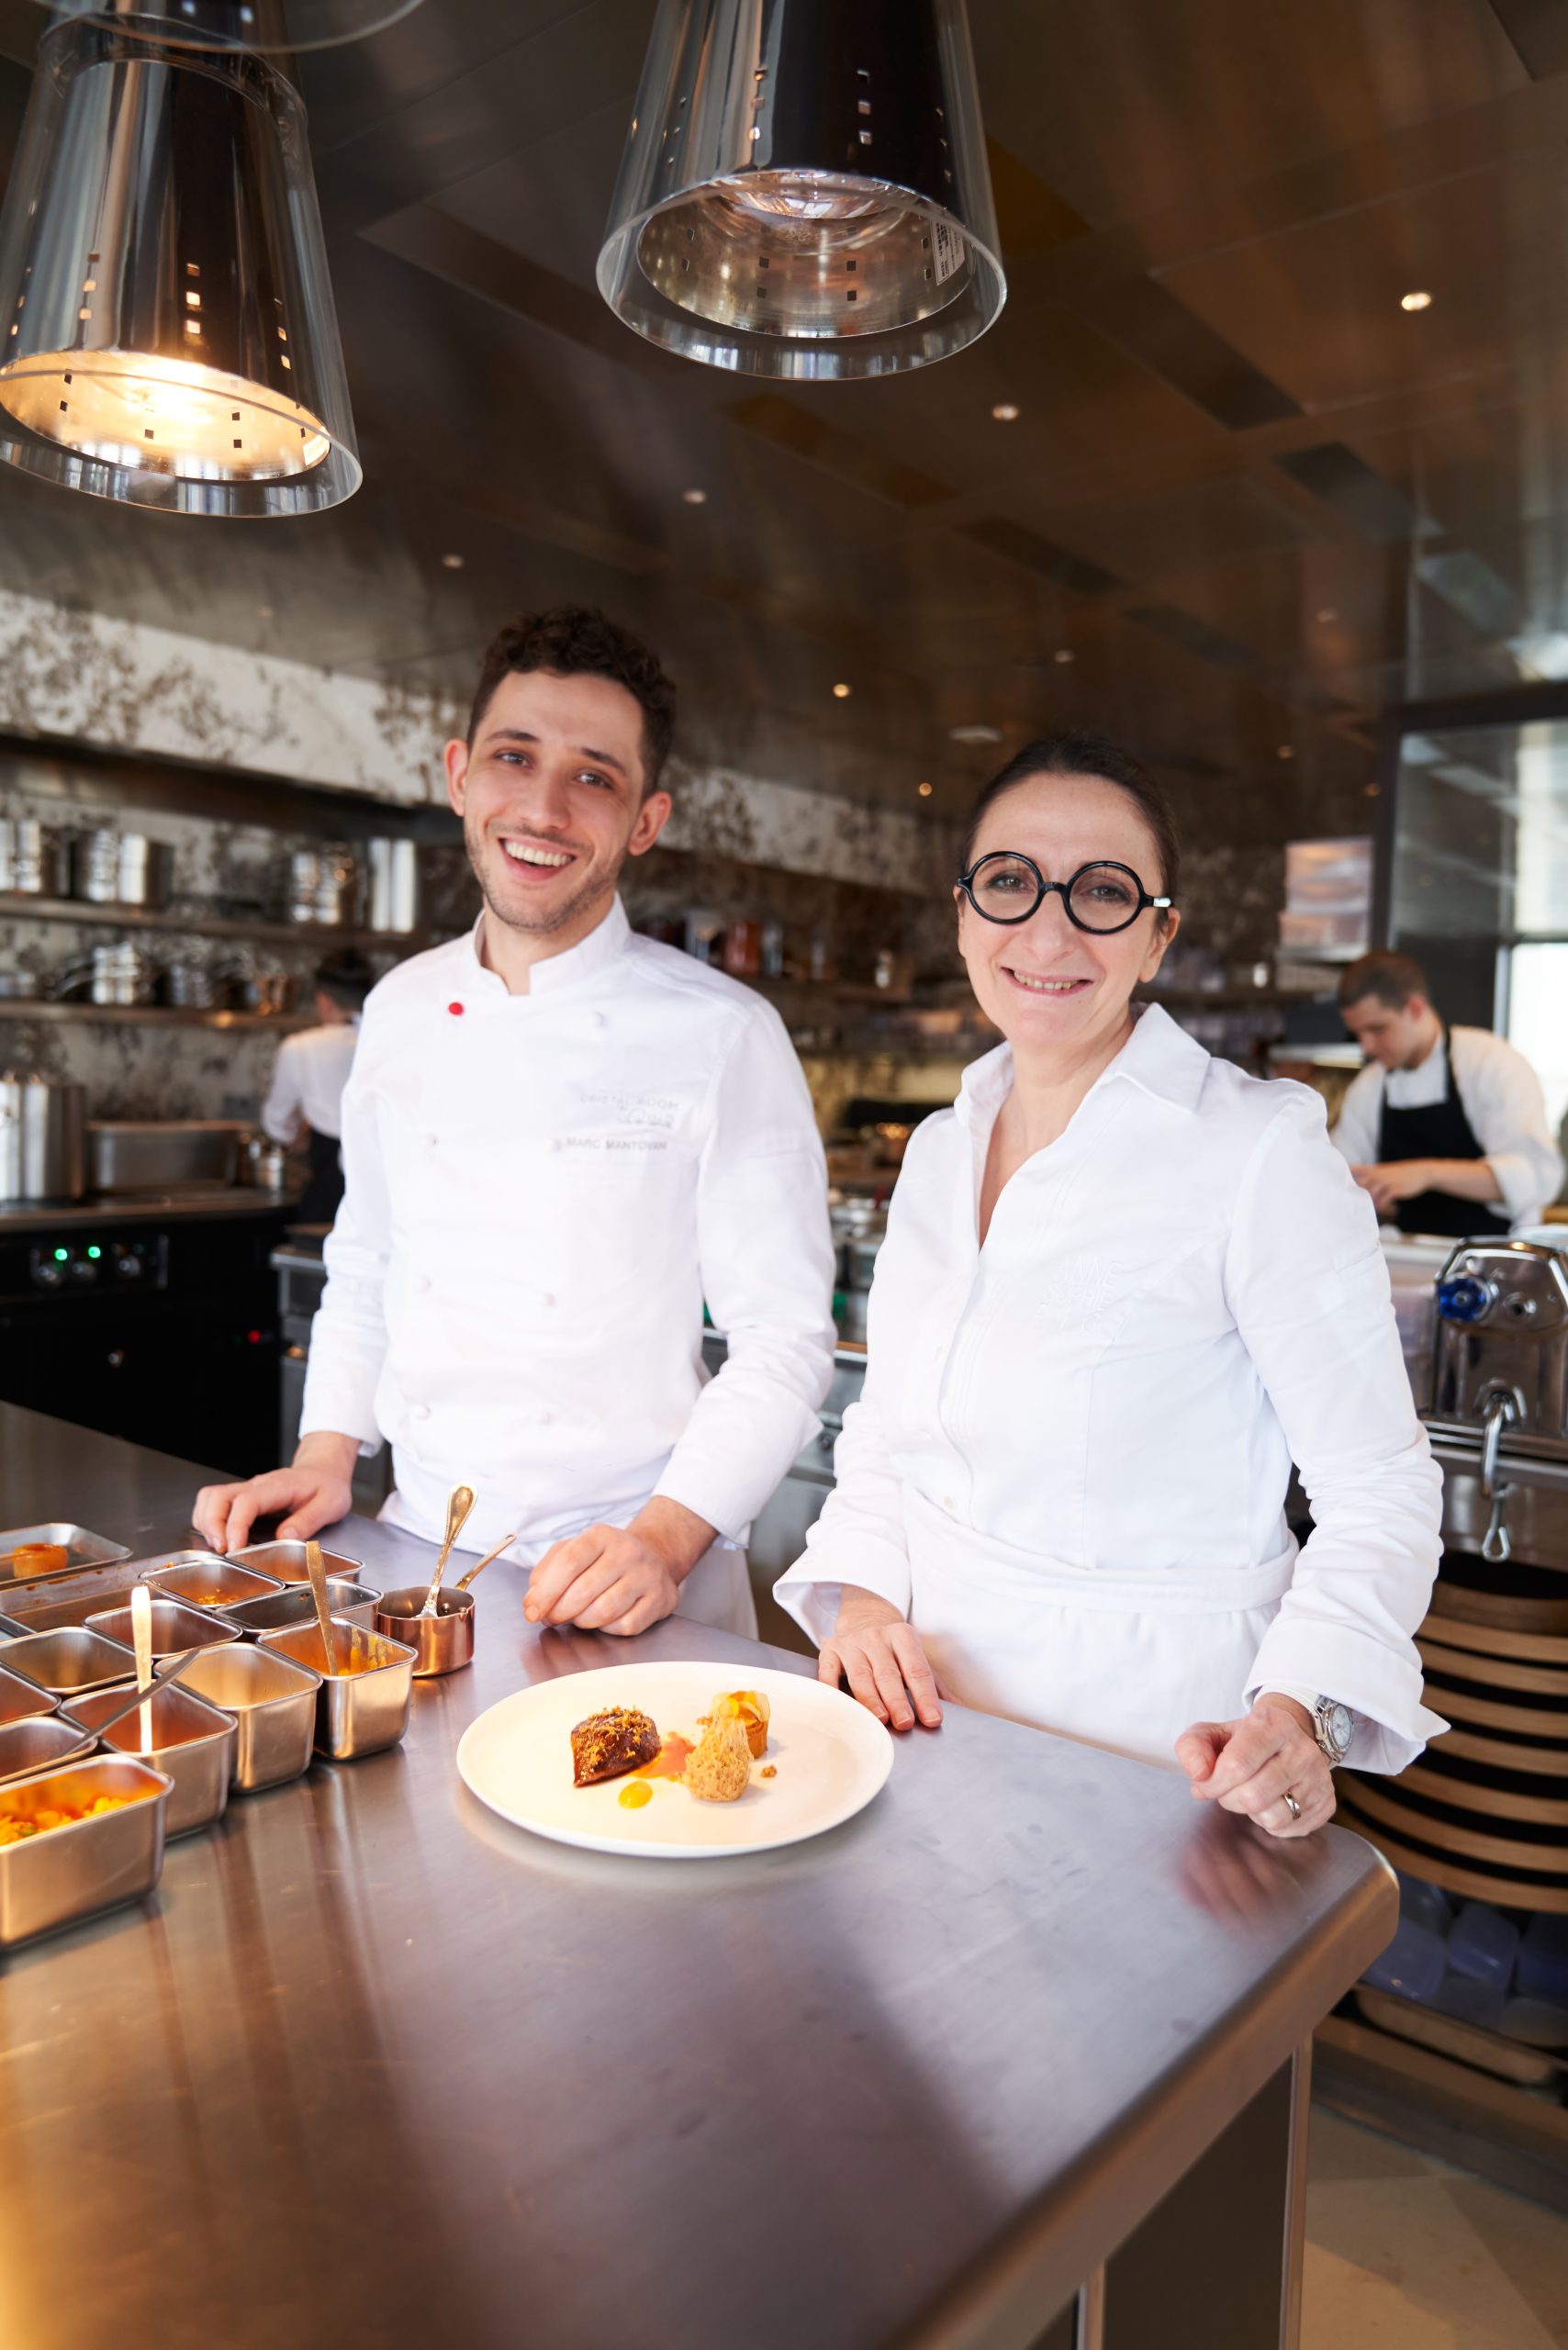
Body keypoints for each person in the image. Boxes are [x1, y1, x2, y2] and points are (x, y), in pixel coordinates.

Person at [776, 733, 1444, 1838]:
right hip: (924, 1730)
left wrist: (1298, 1707)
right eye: (1008, 884)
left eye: (1101, 892)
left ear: (1157, 934)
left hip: (1153, 1750)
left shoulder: (1256, 1149)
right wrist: (857, 1594)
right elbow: (890, 1435)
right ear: (962, 913)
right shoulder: (941, 1149)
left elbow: (1377, 1483)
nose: (1046, 930)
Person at [195, 606, 835, 1637]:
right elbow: (368, 1261)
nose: (542, 807)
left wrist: (667, 1539)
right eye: (513, 756)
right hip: (419, 1551)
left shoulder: (727, 1033)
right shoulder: (400, 1007)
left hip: (637, 1572)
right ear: (458, 774)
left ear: (645, 820)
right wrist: (324, 1458)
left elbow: (785, 1340)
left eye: (594, 775)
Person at [1333, 951, 1563, 1238]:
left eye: (1377, 1029)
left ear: (1415, 1009)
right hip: (1410, 1258)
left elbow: (1536, 1177)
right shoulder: (1370, 1086)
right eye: (1358, 1034)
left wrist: (1426, 1173)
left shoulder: (1490, 1063)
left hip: (1494, 1259)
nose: (1366, 1046)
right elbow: (1339, 1174)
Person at [260, 948, 374, 1226]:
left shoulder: (300, 1047)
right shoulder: (386, 1040)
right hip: (381, 1188)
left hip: (329, 1184)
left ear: (323, 1000)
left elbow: (277, 1123)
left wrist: (296, 1138)